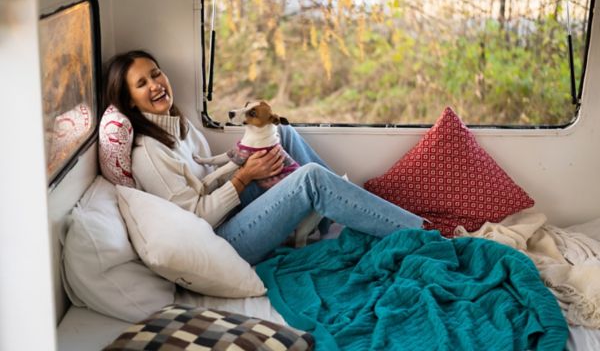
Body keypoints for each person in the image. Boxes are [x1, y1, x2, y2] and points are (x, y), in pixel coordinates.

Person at [105, 50, 424, 264]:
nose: (156, 85)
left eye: (156, 74)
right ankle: (420, 232)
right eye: (142, 83)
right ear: (130, 101)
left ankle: (334, 218)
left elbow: (207, 178)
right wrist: (244, 178)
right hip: (222, 239)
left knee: (281, 134)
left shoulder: (180, 124)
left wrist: (246, 169)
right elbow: (196, 220)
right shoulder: (149, 154)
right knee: (309, 179)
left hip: (228, 211)